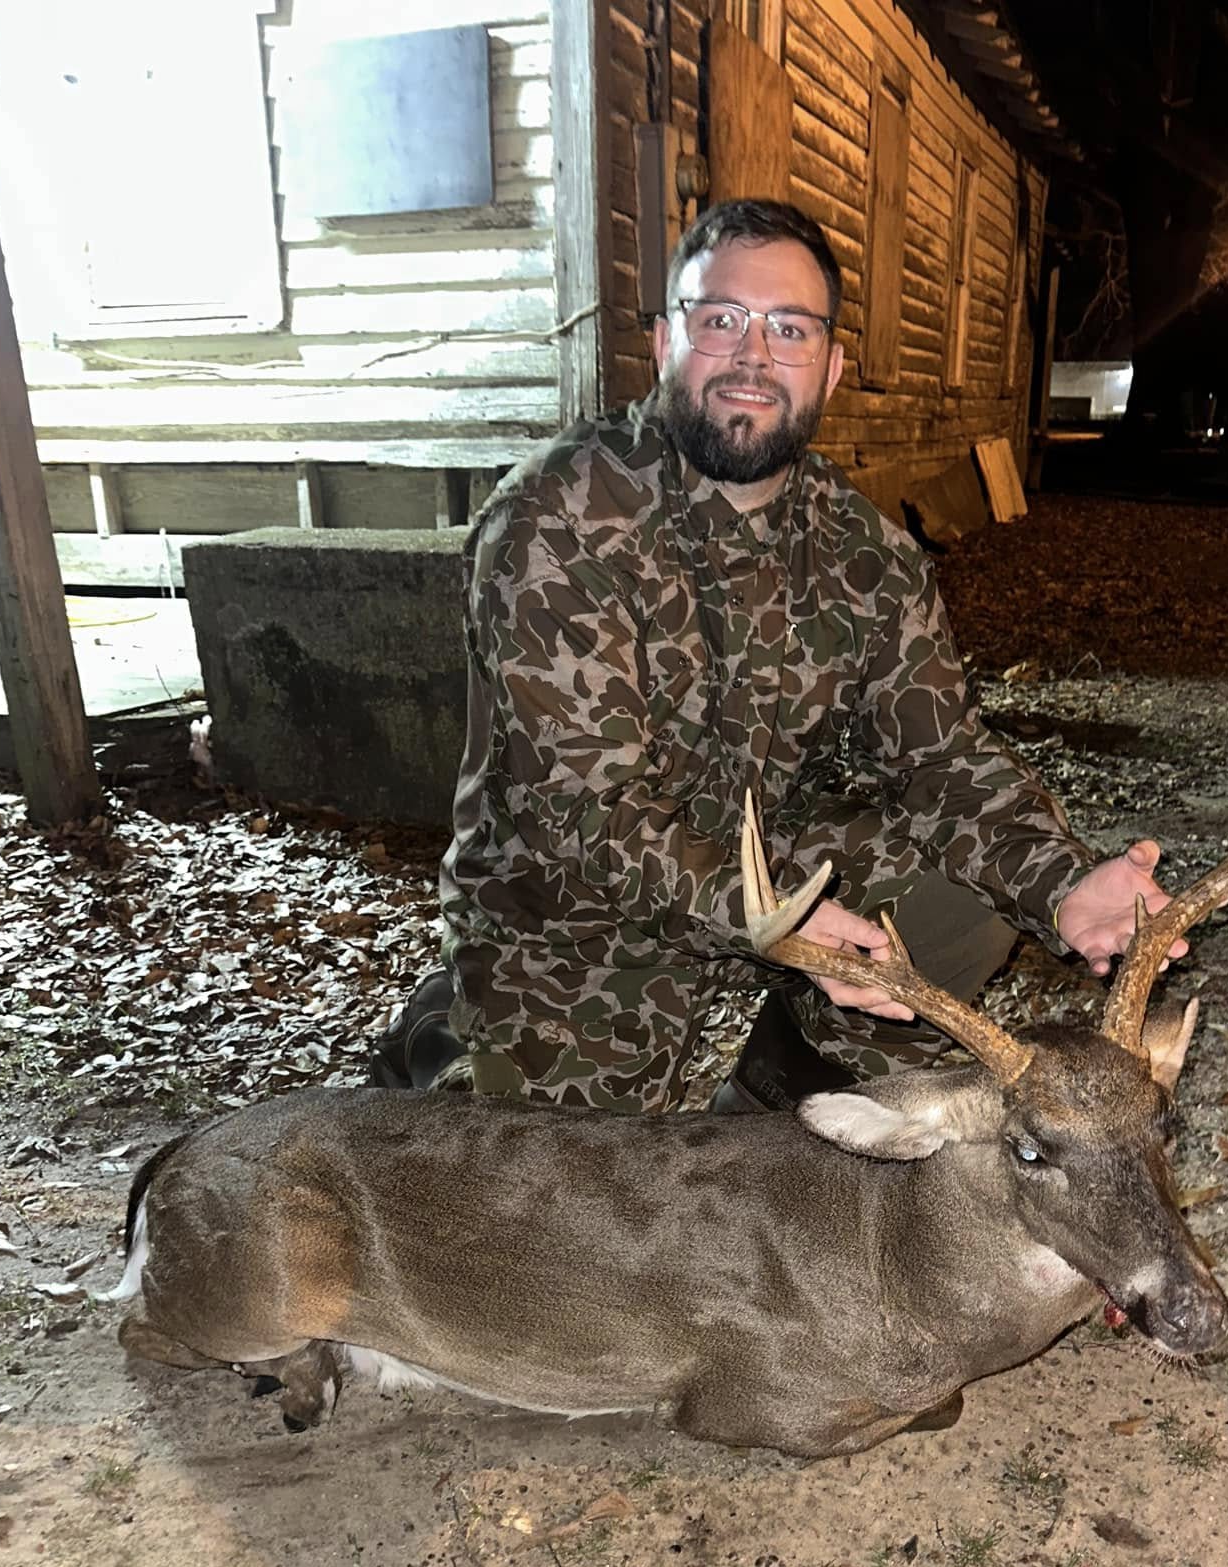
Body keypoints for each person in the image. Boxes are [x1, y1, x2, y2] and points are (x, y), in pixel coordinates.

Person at [372, 198, 1182, 1112]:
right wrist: (774, 921)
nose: (753, 356)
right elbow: (583, 813)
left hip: (760, 862)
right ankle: (447, 1037)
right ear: (664, 343)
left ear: (829, 368)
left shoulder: (868, 554)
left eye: (789, 329)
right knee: (564, 1187)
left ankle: (779, 1110)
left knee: (960, 902)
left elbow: (941, 760)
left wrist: (1061, 881)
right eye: (720, 320)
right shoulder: (555, 522)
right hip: (570, 910)